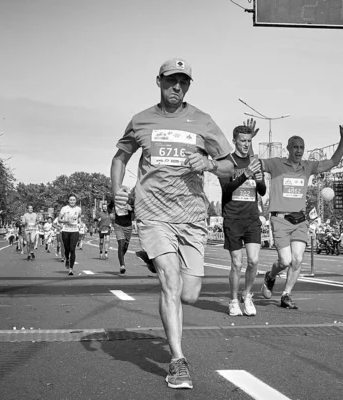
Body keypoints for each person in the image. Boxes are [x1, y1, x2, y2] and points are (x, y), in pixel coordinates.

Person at [110, 58, 234, 389]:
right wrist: (117, 192)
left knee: (189, 294)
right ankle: (178, 361)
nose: (177, 86)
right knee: (170, 280)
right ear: (159, 81)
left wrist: (207, 162)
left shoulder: (203, 121)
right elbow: (120, 156)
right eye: (171, 80)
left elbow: (230, 166)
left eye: (183, 82)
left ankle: (154, 259)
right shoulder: (141, 120)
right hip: (152, 211)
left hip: (192, 215)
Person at [259, 120, 343, 310]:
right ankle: (270, 276)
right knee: (285, 261)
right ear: (288, 148)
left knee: (298, 259)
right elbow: (254, 163)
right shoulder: (276, 164)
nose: (299, 150)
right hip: (280, 219)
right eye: (295, 147)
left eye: (302, 147)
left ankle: (286, 295)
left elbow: (333, 162)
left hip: (300, 220)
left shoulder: (308, 166)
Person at [219, 125, 266, 316]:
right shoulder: (227, 162)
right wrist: (245, 174)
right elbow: (226, 189)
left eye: (249, 141)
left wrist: (260, 179)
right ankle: (232, 300)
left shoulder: (255, 161)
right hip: (232, 218)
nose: (246, 144)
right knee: (237, 263)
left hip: (252, 218)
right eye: (243, 141)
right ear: (235, 141)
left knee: (254, 261)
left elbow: (262, 191)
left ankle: (246, 296)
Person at [108, 189, 134, 275]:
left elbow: (136, 209)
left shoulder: (131, 200)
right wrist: (110, 213)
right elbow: (109, 207)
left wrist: (131, 209)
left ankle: (121, 257)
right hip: (118, 225)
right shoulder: (115, 200)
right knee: (121, 244)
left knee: (125, 247)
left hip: (128, 226)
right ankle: (122, 265)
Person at [58, 194, 82, 276]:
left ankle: (71, 269)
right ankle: (67, 259)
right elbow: (59, 219)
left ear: (76, 201)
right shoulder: (64, 209)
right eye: (71, 200)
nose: (72, 201)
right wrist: (66, 221)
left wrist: (80, 223)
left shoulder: (78, 209)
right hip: (65, 231)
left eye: (74, 200)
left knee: (72, 249)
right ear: (68, 200)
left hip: (75, 231)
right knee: (67, 249)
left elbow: (79, 217)